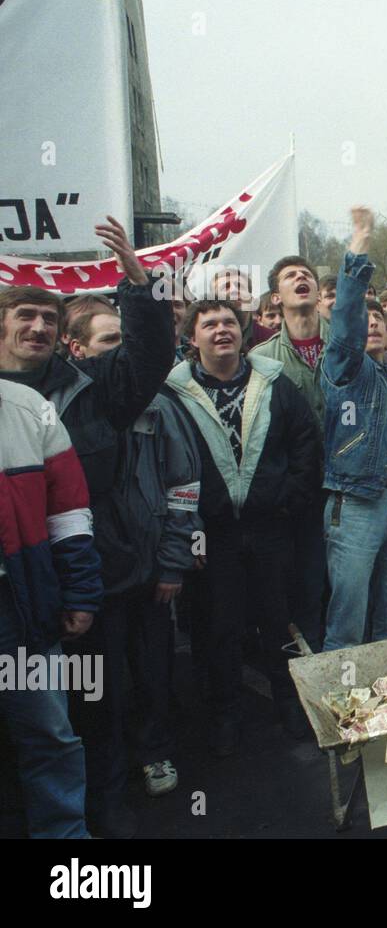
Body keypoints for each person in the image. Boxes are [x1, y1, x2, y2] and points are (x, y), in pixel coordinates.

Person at [0, 217, 173, 839]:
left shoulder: (95, 387)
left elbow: (153, 353)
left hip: (95, 582)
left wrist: (137, 280)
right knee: (26, 719)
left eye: (49, 316)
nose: (38, 326)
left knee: (96, 705)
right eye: (25, 312)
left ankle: (105, 818)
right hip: (15, 589)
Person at [166, 298, 321, 750]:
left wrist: (286, 501)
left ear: (242, 331)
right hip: (209, 534)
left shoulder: (274, 382)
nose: (221, 330)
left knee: (279, 621)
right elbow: (169, 468)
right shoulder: (173, 394)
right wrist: (189, 536)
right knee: (218, 627)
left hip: (270, 527)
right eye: (209, 324)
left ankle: (290, 706)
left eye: (229, 322)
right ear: (191, 338)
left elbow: (305, 444)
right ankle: (224, 716)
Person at [67, 307, 203, 797]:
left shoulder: (158, 404)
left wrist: (173, 562)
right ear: (76, 348)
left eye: (125, 341)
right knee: (94, 681)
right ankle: (105, 766)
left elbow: (184, 488)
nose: (121, 352)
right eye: (108, 342)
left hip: (149, 573)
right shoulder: (62, 405)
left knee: (151, 672)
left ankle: (154, 752)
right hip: (90, 577)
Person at [0, 375, 102, 837]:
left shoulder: (27, 406)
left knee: (49, 737)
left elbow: (68, 511)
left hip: (20, 611)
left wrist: (80, 591)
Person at [321, 207, 387, 651]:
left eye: (379, 320)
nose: (372, 326)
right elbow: (345, 315)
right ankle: (338, 711)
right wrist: (360, 240)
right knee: (348, 622)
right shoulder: (345, 369)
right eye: (365, 322)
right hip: (356, 506)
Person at [251, 253, 332, 650]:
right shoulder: (261, 360)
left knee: (351, 587)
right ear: (276, 298)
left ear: (318, 293)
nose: (301, 278)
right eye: (290, 276)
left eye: (307, 274)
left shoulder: (346, 343)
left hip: (349, 489)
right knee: (306, 586)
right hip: (298, 496)